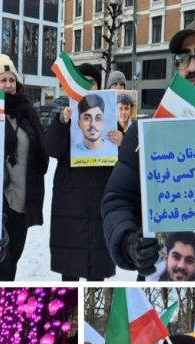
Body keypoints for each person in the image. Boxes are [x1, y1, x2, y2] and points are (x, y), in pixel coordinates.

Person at [102, 17, 195, 279]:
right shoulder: (150, 131)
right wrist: (128, 242)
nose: (191, 67)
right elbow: (118, 199)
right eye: (184, 58)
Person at [0, 53, 48, 281]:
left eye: (11, 80)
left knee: (11, 266)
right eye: (2, 80)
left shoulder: (27, 112)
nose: (7, 84)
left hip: (22, 205)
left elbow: (42, 153)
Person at [45, 63, 117, 281]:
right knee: (70, 271)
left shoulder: (109, 116)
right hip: (70, 203)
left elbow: (122, 158)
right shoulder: (66, 114)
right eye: (83, 80)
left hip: (100, 200)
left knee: (98, 273)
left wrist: (120, 139)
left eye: (92, 81)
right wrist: (60, 123)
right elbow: (52, 149)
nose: (87, 85)